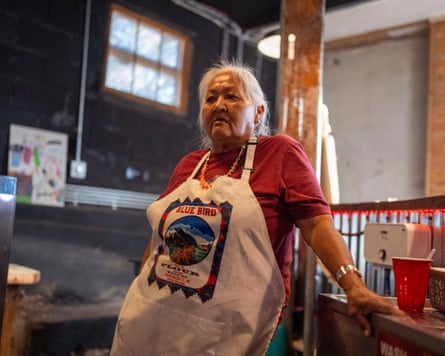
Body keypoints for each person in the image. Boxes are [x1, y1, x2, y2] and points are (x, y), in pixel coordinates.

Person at [110, 61, 402, 355]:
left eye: (232, 96)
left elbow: (317, 226)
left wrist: (353, 285)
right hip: (153, 319)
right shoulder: (189, 164)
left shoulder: (280, 153)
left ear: (259, 111)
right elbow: (160, 237)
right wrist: (140, 288)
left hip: (224, 333)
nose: (219, 105)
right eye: (211, 98)